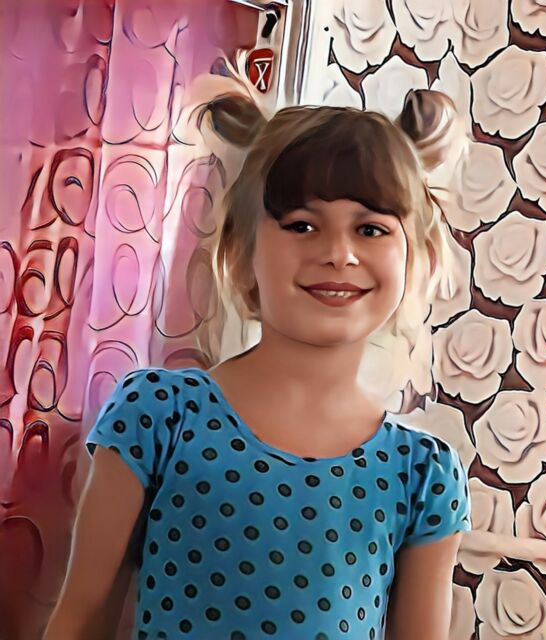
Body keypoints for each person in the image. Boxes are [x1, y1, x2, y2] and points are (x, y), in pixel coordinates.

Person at [44, 77, 472, 640]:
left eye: (370, 229)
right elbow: (80, 620)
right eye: (301, 225)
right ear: (242, 250)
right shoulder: (158, 416)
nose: (339, 253)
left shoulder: (421, 475)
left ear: (416, 258)